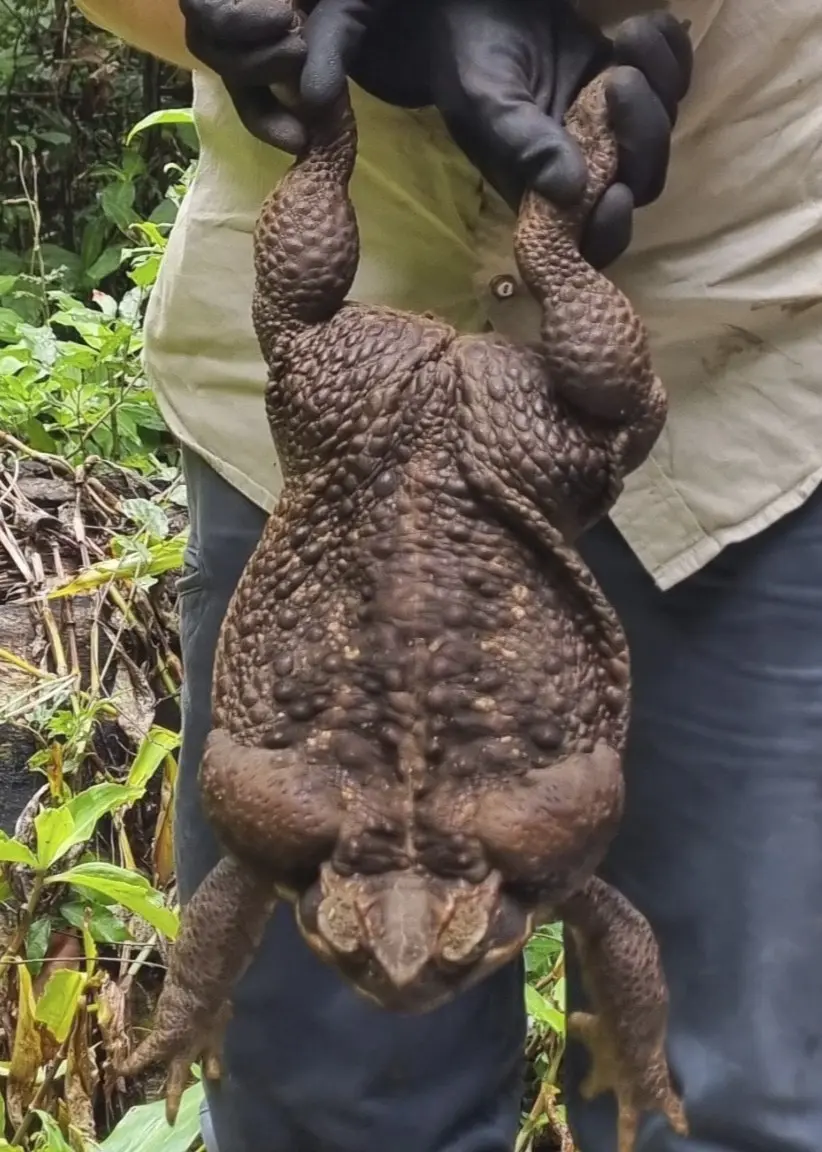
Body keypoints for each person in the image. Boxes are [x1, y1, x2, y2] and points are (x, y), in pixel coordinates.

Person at [74, 0, 822, 1150]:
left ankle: (498, 214)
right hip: (443, 424)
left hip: (738, 330)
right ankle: (525, 224)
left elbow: (242, 847)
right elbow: (603, 897)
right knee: (324, 1111)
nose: (407, 966)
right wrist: (327, 33)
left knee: (737, 1104)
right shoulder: (511, 845)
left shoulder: (327, 837)